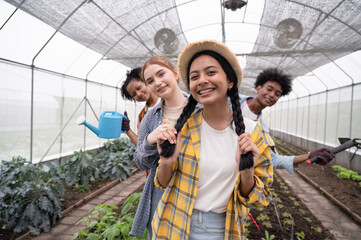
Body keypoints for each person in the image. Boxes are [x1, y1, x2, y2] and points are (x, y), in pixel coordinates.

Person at [152, 40, 273, 239]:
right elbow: (163, 183)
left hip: (221, 228)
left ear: (230, 81)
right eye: (194, 76)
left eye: (210, 72)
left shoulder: (253, 133)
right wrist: (167, 162)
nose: (202, 80)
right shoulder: (182, 128)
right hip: (174, 221)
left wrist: (248, 171)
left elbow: (261, 198)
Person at [130, 56, 189, 239]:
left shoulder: (202, 108)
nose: (157, 82)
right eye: (150, 81)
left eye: (161, 74)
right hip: (161, 189)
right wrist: (149, 140)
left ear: (175, 73)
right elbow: (141, 163)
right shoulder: (149, 118)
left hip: (195, 189)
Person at [239, 68, 335, 174]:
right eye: (269, 89)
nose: (272, 95)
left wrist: (309, 156)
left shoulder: (261, 129)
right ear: (258, 88)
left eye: (277, 94)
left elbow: (274, 159)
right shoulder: (231, 100)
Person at [120, 67, 159, 146]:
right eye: (133, 94)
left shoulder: (166, 100)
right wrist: (127, 130)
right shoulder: (142, 116)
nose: (138, 94)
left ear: (145, 81)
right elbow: (141, 146)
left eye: (139, 88)